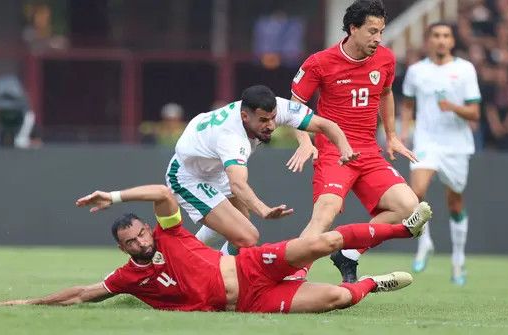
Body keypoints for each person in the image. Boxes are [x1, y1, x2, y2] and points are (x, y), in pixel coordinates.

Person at [0, 184, 432, 313]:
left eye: (141, 235)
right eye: (130, 244)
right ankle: (372, 284)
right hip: (250, 302)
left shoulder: (170, 234)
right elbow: (81, 293)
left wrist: (115, 196)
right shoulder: (130, 277)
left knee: (325, 240)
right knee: (336, 297)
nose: (140, 244)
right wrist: (27, 302)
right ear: (124, 250)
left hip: (250, 266)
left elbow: (164, 193)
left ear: (148, 230)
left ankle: (404, 232)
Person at [288, 0, 421, 283]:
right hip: (334, 152)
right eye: (372, 31)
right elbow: (294, 105)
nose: (378, 39)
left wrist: (392, 135)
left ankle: (348, 252)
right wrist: (304, 141)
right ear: (353, 29)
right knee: (325, 213)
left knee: (409, 207)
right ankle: (292, 276)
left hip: (369, 152)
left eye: (381, 32)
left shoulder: (385, 58)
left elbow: (386, 93)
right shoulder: (320, 62)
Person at [166, 85, 358, 255]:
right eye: (264, 120)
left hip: (215, 167)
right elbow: (238, 184)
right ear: (244, 116)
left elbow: (326, 124)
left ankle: (201, 265)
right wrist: (264, 210)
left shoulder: (275, 107)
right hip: (188, 176)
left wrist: (345, 148)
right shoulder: (231, 137)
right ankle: (192, 264)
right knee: (246, 236)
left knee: (240, 227)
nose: (272, 125)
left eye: (273, 118)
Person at [399, 23, 481, 286]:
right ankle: (425, 243)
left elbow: (475, 113)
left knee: (455, 201)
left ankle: (458, 259)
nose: (441, 40)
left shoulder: (465, 69)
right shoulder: (416, 71)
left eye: (446, 35)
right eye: (436, 36)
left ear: (453, 40)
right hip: (426, 141)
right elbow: (408, 104)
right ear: (428, 41)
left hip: (456, 145)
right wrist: (403, 132)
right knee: (416, 194)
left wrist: (453, 107)